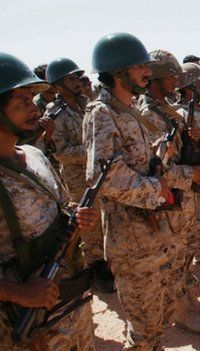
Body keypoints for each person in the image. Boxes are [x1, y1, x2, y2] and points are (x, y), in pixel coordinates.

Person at [83, 32, 189, 350]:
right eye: (140, 66)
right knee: (143, 331)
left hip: (156, 236)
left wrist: (159, 156)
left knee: (157, 322)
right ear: (118, 72)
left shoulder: (130, 110)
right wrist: (157, 189)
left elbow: (137, 165)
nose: (147, 71)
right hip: (131, 245)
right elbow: (105, 179)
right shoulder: (101, 114)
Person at [0, 51, 98, 351]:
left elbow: (63, 205)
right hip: (28, 324)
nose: (34, 110)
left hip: (70, 304)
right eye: (23, 104)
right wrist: (19, 293)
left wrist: (77, 217)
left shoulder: (34, 155)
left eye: (33, 101)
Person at [137, 51, 200, 334]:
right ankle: (181, 311)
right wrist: (188, 175)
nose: (176, 80)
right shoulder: (146, 115)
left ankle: (191, 301)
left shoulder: (168, 109)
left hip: (184, 196)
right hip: (169, 197)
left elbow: (177, 149)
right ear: (155, 79)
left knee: (187, 252)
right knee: (174, 259)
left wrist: (191, 139)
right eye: (171, 76)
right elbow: (151, 167)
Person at [45, 58, 116, 291]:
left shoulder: (86, 103)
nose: (77, 82)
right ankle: (96, 266)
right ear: (57, 85)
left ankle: (106, 261)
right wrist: (92, 151)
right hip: (77, 177)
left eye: (77, 78)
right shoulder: (54, 114)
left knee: (103, 217)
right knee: (88, 223)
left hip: (98, 173)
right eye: (71, 79)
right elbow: (61, 152)